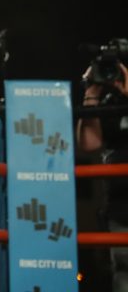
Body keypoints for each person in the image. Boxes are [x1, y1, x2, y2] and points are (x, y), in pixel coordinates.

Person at [77, 60, 128, 292]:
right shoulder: (111, 104)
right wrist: (92, 93)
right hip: (120, 210)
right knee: (123, 279)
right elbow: (89, 143)